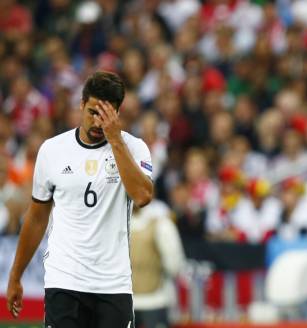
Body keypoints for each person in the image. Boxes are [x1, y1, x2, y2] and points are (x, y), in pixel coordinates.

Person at [6, 71, 154, 327]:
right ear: (82, 104)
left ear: (117, 113)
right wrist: (16, 275)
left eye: (106, 115)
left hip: (113, 284)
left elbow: (142, 196)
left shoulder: (134, 148)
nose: (98, 123)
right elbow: (37, 216)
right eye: (93, 112)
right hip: (64, 282)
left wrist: (115, 139)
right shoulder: (52, 150)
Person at [130, 200, 185, 328]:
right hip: (154, 300)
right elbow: (174, 264)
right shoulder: (162, 223)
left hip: (148, 301)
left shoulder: (160, 222)